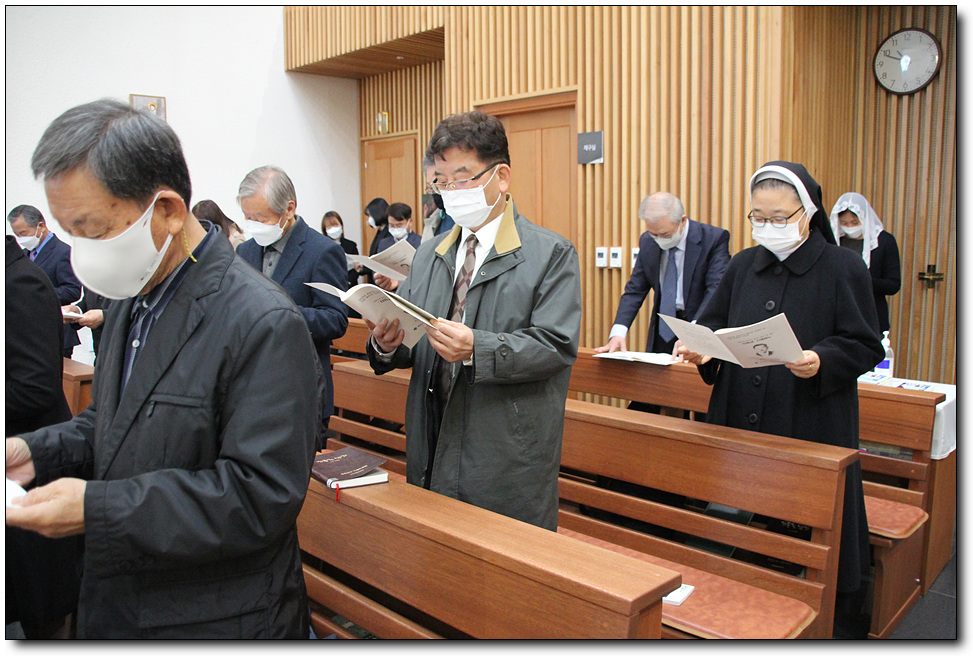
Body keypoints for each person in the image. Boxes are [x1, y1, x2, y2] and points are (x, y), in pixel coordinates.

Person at [5, 98, 322, 638]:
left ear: (169, 211)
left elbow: (258, 496)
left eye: (92, 230)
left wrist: (97, 509)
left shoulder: (262, 320)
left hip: (211, 617)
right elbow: (114, 419)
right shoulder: (134, 291)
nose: (82, 254)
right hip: (122, 599)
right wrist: (37, 451)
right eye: (68, 233)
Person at [675, 160, 884, 636]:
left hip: (809, 413)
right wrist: (703, 349)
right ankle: (727, 607)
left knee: (802, 527)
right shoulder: (744, 264)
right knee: (732, 518)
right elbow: (714, 322)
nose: (767, 226)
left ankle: (806, 615)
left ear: (807, 214)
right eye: (758, 217)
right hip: (737, 413)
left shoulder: (843, 267)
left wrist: (820, 359)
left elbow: (864, 343)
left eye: (779, 217)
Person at [367, 110, 581, 531]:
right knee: (434, 553)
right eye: (441, 182)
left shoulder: (550, 254)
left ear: (501, 177)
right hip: (431, 436)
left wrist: (475, 349)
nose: (450, 192)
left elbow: (556, 347)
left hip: (500, 451)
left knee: (501, 558)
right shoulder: (429, 254)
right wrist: (386, 344)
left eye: (462, 179)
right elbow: (412, 333)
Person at [236, 165, 348, 442]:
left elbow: (335, 319)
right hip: (251, 391)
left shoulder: (321, 251)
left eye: (260, 218)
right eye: (248, 218)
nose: (254, 225)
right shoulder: (245, 251)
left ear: (288, 209)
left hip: (300, 391)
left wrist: (280, 313)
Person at [6, 235, 83, 639]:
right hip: (17, 457)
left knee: (40, 598)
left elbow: (37, 386)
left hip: (31, 457)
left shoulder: (20, 282)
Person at [596, 192, 730, 357]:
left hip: (697, 323)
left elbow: (715, 289)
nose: (659, 239)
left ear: (682, 221)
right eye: (654, 234)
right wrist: (619, 332)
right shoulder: (648, 241)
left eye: (665, 234)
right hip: (663, 326)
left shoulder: (713, 239)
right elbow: (635, 289)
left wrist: (695, 334)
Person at [7, 205, 82, 358]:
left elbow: (72, 290)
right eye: (17, 235)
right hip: (28, 332)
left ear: (40, 226)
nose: (21, 239)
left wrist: (34, 294)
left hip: (55, 331)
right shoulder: (23, 255)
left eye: (23, 233)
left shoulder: (63, 252)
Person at [829, 192, 901, 334]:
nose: (850, 227)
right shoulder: (833, 241)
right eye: (844, 223)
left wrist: (861, 280)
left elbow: (893, 284)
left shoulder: (884, 241)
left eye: (855, 222)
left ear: (865, 218)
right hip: (837, 314)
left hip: (872, 314)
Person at [373, 202, 422, 292]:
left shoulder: (421, 242)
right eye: (391, 225)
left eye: (399, 225)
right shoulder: (384, 243)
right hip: (388, 292)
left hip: (411, 292)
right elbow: (376, 268)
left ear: (410, 222)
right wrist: (379, 276)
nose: (395, 229)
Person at [62, 287, 112, 360]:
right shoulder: (91, 282)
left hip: (122, 351)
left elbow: (129, 310)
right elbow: (87, 301)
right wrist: (77, 311)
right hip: (100, 353)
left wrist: (104, 316)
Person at [322, 210, 363, 289]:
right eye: (329, 227)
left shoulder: (351, 245)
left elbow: (356, 268)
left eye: (335, 225)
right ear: (325, 230)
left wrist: (347, 283)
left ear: (341, 225)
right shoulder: (322, 247)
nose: (333, 229)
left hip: (350, 287)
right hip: (331, 287)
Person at [420, 154, 455, 242]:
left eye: (439, 183)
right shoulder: (432, 221)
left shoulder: (468, 217)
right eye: (431, 187)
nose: (435, 191)